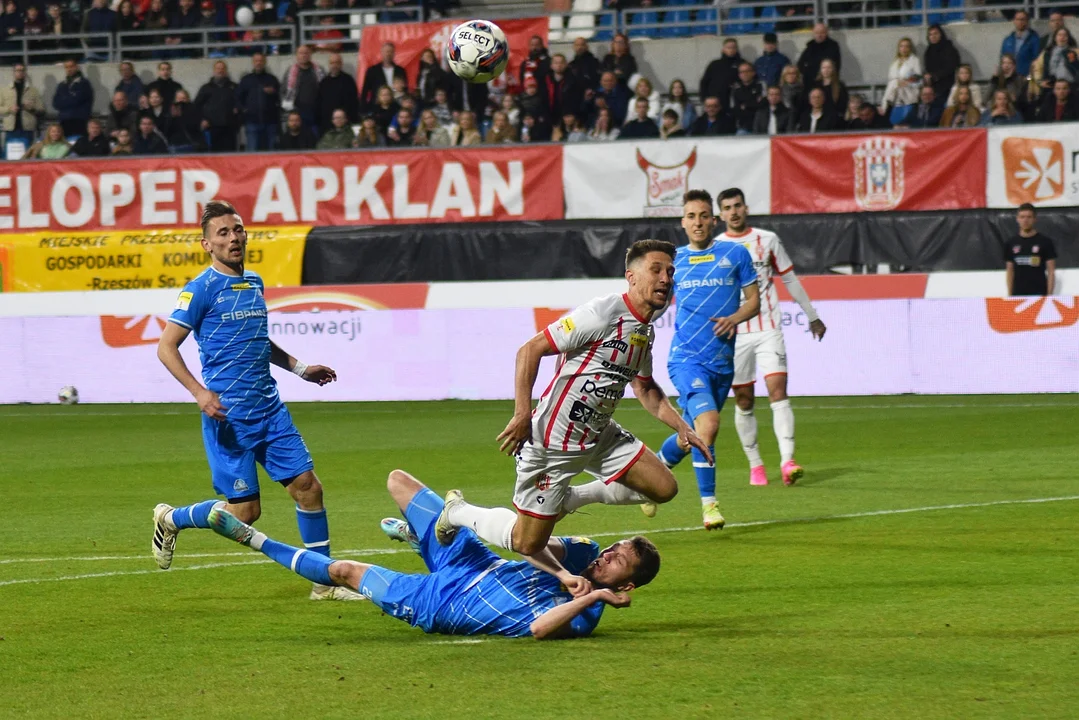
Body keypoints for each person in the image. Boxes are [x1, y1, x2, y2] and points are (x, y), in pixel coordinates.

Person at [431, 239, 710, 562]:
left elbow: (645, 389)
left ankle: (570, 498)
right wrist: (522, 414)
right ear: (631, 276)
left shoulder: (644, 331)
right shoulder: (603, 312)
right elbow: (530, 349)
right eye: (656, 270)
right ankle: (458, 511)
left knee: (664, 488)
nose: (665, 278)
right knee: (526, 543)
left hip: (598, 434)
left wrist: (683, 427)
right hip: (553, 440)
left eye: (670, 272)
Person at [153, 200, 360, 602]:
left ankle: (325, 583)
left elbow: (257, 341)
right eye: (223, 234)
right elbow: (166, 347)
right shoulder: (198, 290)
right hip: (229, 417)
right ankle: (171, 517)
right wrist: (199, 393)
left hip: (270, 410)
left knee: (308, 487)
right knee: (244, 514)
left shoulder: (254, 283)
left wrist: (301, 369)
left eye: (238, 230)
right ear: (206, 245)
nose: (233, 238)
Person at [205, 470, 657, 639]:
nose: (606, 558)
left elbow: (539, 628)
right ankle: (428, 533)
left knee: (342, 571)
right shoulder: (585, 555)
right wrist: (562, 574)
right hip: (476, 563)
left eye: (617, 562)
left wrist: (590, 596)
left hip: (442, 604)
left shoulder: (587, 617)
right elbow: (527, 540)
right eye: (613, 549)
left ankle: (250, 537)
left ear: (627, 585)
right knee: (398, 481)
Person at [645, 190, 761, 528]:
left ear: (714, 219)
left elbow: (753, 301)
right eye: (691, 216)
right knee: (708, 426)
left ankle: (654, 470)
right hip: (686, 360)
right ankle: (710, 506)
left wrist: (735, 318)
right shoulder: (673, 261)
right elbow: (654, 301)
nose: (698, 222)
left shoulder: (735, 254)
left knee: (694, 433)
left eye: (703, 215)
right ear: (683, 222)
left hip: (722, 363)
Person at [704, 189, 824, 488]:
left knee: (777, 390)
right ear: (721, 215)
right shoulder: (716, 247)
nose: (733, 212)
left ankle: (787, 461)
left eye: (737, 206)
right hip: (735, 333)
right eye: (727, 208)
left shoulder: (767, 240)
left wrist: (811, 314)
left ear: (746, 208)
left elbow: (789, 278)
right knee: (744, 400)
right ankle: (756, 465)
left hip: (769, 328)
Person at [1005, 204, 1056, 297]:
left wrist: (1049, 296)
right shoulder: (1011, 243)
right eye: (1022, 217)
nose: (1025, 220)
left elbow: (1051, 271)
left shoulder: (1045, 242)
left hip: (1039, 294)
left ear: (1035, 219)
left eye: (1029, 217)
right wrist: (1010, 295)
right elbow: (1010, 271)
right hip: (1018, 295)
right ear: (1017, 219)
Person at [237, 52, 280, 152]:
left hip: (270, 122)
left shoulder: (272, 79)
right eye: (256, 61)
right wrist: (244, 110)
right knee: (252, 152)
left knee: (271, 152)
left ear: (265, 62)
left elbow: (280, 97)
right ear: (253, 62)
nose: (258, 63)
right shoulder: (246, 80)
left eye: (261, 60)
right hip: (252, 122)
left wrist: (273, 92)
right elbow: (238, 98)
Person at [195, 60, 239, 152]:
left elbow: (240, 103)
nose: (220, 71)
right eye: (218, 68)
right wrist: (202, 119)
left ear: (226, 71)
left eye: (222, 68)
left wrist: (237, 114)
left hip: (230, 128)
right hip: (212, 127)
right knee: (215, 155)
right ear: (214, 70)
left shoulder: (234, 87)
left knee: (231, 155)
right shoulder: (206, 88)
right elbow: (196, 106)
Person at [282, 45, 325, 131]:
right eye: (301, 53)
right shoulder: (290, 72)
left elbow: (325, 90)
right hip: (297, 114)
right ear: (297, 55)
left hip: (315, 113)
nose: (304, 55)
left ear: (310, 55)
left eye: (306, 53)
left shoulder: (319, 70)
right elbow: (283, 92)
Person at [879, 38, 922, 118]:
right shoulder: (895, 63)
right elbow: (890, 81)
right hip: (896, 95)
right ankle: (886, 103)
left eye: (907, 46)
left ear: (910, 48)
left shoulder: (914, 60)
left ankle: (886, 104)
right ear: (899, 48)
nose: (904, 49)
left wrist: (906, 82)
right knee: (893, 83)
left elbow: (918, 79)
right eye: (902, 46)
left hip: (909, 94)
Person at [0, 63, 44, 139]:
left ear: (25, 72)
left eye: (22, 70)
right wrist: (9, 109)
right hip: (10, 129)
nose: (20, 72)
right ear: (13, 72)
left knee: (28, 150)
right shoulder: (4, 90)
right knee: (11, 150)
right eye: (17, 70)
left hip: (28, 129)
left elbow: (41, 109)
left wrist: (31, 108)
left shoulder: (33, 90)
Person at [316, 53, 358, 133]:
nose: (334, 65)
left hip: (346, 125)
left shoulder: (348, 80)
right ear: (329, 64)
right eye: (332, 63)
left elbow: (354, 103)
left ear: (341, 64)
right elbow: (319, 104)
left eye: (337, 63)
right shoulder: (324, 82)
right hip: (327, 125)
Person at [52, 58, 94, 137]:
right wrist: (70, 98)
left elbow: (76, 100)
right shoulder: (62, 85)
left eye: (71, 66)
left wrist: (64, 99)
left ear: (76, 67)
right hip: (64, 122)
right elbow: (55, 103)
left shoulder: (84, 83)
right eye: (67, 67)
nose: (69, 69)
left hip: (80, 122)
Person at [699, 38, 743, 109]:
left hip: (736, 103)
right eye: (728, 47)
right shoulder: (714, 64)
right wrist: (704, 99)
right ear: (723, 49)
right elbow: (704, 82)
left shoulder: (742, 64)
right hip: (715, 104)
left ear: (736, 49)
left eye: (733, 47)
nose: (731, 50)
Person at [361, 42, 406, 110]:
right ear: (381, 53)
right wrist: (363, 107)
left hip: (396, 105)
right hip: (377, 106)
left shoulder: (401, 70)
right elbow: (365, 90)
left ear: (394, 54)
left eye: (391, 51)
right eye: (386, 51)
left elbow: (405, 88)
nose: (388, 54)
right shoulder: (372, 70)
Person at [923, 24, 959, 104]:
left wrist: (935, 76)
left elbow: (951, 67)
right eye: (930, 34)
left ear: (941, 34)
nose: (933, 36)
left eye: (935, 33)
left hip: (947, 85)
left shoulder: (949, 49)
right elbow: (927, 68)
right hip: (932, 85)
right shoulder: (929, 50)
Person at [1000, 10, 1040, 79]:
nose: (1020, 22)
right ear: (1014, 21)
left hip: (1026, 78)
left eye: (1022, 19)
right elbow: (1002, 58)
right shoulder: (1007, 40)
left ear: (1027, 21)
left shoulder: (1034, 40)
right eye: (1017, 19)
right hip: (1009, 78)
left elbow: (1036, 60)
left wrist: (1029, 78)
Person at [545, 53, 584, 121]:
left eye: (561, 63)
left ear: (566, 64)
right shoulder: (546, 80)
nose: (559, 65)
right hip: (549, 117)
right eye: (556, 63)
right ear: (551, 66)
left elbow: (576, 101)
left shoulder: (573, 81)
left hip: (567, 117)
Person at [731, 62, 766, 134]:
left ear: (753, 72)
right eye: (742, 72)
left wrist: (746, 105)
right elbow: (735, 108)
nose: (745, 74)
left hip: (761, 125)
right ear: (739, 75)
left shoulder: (761, 85)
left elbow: (763, 104)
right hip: (743, 127)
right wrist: (754, 102)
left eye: (747, 71)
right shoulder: (735, 89)